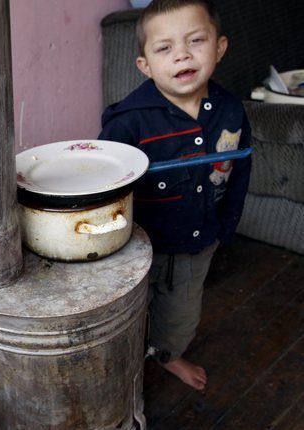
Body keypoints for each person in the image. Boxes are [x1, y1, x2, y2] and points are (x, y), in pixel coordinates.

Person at [98, 0, 251, 390]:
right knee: (127, 313)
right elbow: (104, 187)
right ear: (145, 65)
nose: (182, 54)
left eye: (196, 40)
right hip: (138, 245)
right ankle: (126, 362)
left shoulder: (232, 112)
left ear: (219, 47)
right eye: (164, 48)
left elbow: (240, 171)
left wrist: (225, 229)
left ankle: (167, 354)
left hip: (198, 243)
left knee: (181, 314)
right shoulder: (128, 122)